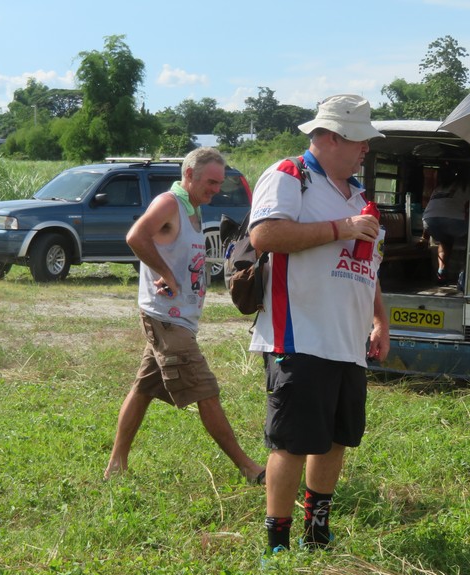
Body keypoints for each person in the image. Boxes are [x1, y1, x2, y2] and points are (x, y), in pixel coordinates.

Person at [248, 94, 390, 554]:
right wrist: (341, 228)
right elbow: (264, 234)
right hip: (300, 335)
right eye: (359, 140)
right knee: (291, 442)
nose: (365, 149)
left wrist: (380, 321)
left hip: (348, 341)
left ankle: (316, 530)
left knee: (335, 439)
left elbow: (370, 268)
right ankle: (277, 543)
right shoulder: (291, 176)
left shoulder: (359, 197)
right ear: (329, 138)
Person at [104, 147, 266, 485]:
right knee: (205, 390)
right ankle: (248, 467)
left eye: (219, 183)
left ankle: (115, 465)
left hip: (177, 319)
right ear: (189, 175)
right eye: (211, 182)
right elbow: (135, 237)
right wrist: (165, 273)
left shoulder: (192, 208)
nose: (216, 189)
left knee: (143, 388)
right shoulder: (169, 203)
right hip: (166, 318)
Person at [421, 166, 469, 284]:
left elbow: (431, 209)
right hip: (454, 221)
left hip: (429, 222)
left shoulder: (439, 188)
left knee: (445, 240)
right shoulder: (467, 186)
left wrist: (424, 238)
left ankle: (441, 271)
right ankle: (464, 273)